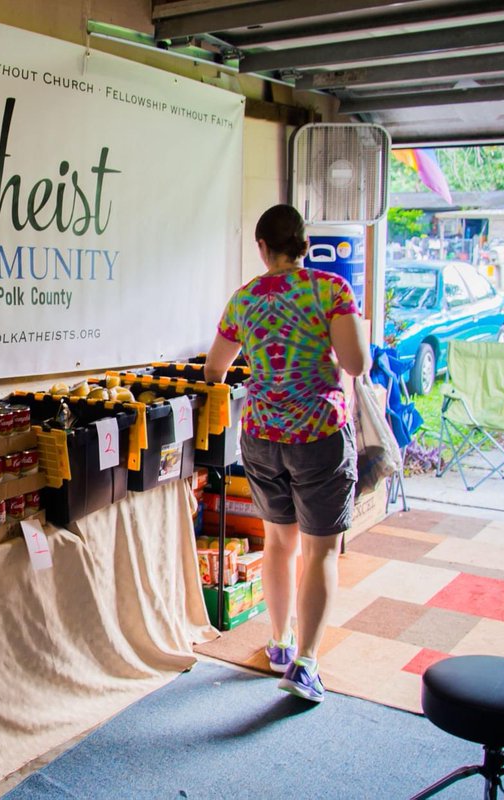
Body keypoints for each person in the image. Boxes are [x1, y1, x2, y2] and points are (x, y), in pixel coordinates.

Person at [203, 204, 370, 704]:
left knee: (279, 543)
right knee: (320, 550)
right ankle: (305, 665)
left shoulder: (245, 298)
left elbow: (215, 369)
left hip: (261, 435)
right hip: (318, 433)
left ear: (262, 248)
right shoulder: (331, 289)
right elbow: (356, 363)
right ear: (304, 244)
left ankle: (278, 644)